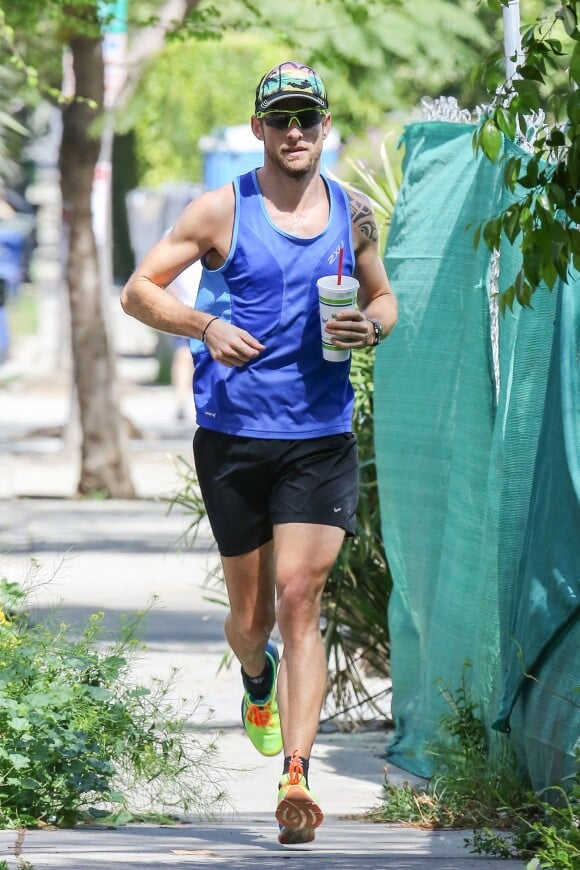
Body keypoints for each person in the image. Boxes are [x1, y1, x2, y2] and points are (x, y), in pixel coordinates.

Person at [120, 60, 397, 845]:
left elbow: (383, 296)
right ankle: (254, 674)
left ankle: (297, 776)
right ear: (259, 130)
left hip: (320, 438)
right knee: (251, 618)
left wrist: (370, 328)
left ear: (326, 127)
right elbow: (140, 290)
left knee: (299, 596)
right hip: (236, 438)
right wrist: (204, 326)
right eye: (281, 119)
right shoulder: (220, 209)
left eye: (308, 117)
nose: (296, 131)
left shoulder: (355, 213)